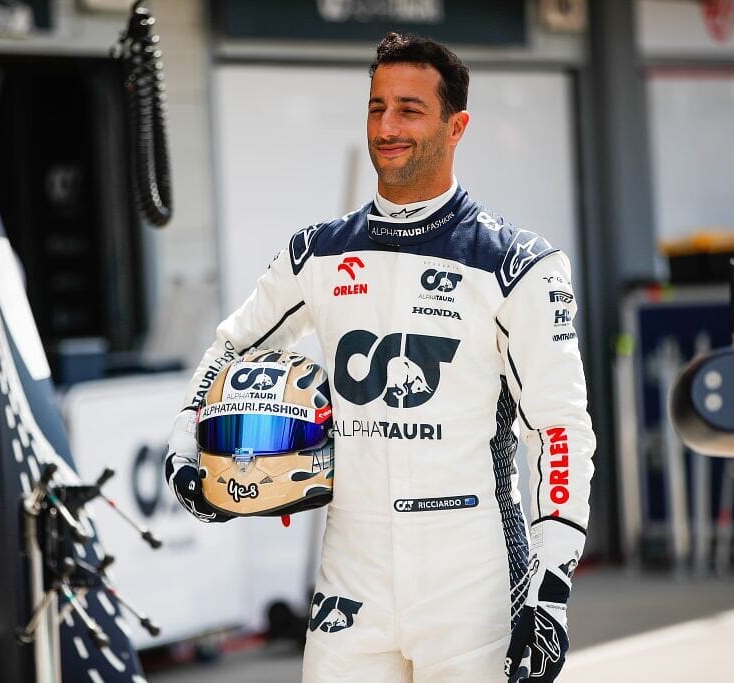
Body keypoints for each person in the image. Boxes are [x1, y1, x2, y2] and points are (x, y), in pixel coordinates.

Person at [164, 32, 595, 683]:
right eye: (376, 107)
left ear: (457, 126)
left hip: (471, 575)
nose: (387, 126)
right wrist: (184, 447)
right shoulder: (318, 252)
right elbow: (232, 347)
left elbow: (560, 428)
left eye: (409, 109)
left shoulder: (518, 264)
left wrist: (552, 589)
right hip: (353, 574)